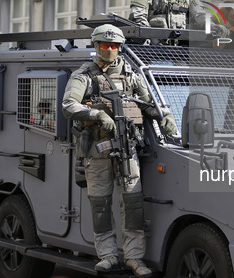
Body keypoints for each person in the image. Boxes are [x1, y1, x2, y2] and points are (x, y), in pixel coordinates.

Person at [62, 24, 178, 277]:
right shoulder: (83, 75)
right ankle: (107, 255)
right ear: (96, 45)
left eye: (115, 45)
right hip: (97, 150)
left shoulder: (132, 74)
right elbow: (68, 105)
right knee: (100, 205)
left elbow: (148, 104)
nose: (111, 49)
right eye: (105, 44)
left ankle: (134, 258)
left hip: (128, 149)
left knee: (133, 203)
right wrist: (96, 114)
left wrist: (164, 116)